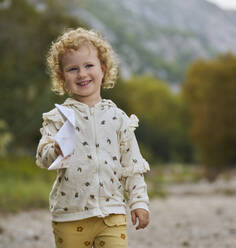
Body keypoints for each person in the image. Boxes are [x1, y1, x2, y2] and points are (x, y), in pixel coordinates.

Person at [35, 27, 150, 248]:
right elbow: (42, 157)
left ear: (103, 69)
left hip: (112, 213)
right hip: (70, 215)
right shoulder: (59, 118)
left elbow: (132, 164)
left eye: (89, 65)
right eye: (72, 69)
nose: (82, 74)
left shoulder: (118, 118)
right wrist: (56, 149)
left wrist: (139, 202)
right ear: (62, 77)